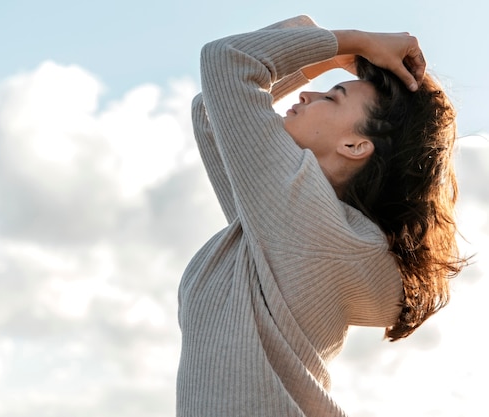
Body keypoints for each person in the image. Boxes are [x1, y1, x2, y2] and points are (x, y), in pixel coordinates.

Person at [176, 15, 467, 417]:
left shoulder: (300, 212)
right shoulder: (280, 216)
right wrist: (326, 53)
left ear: (353, 144)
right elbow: (211, 109)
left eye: (331, 97)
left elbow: (228, 61)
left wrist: (353, 42)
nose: (308, 95)